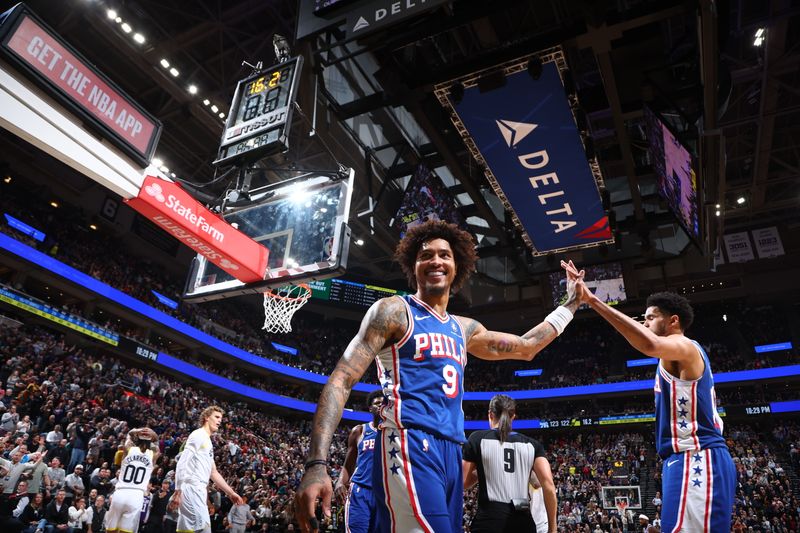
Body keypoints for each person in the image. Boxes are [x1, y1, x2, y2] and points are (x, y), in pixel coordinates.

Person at [296, 221, 582, 533]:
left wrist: (570, 304)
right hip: (408, 442)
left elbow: (527, 348)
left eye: (444, 255)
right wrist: (316, 464)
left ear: (457, 265)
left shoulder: (464, 328)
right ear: (412, 265)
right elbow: (341, 380)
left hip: (451, 453)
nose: (436, 261)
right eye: (425, 255)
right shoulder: (392, 312)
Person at [563, 260, 736, 532]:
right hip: (686, 457)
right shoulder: (675, 353)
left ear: (673, 321)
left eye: (651, 317)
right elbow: (641, 335)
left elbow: (648, 343)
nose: (645, 321)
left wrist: (592, 300)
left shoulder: (684, 346)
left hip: (696, 456)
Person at [462, 394, 556, 533]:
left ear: (490, 414)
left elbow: (463, 482)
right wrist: (552, 529)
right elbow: (548, 485)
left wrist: (484, 470)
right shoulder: (532, 444)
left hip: (489, 521)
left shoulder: (477, 439)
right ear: (513, 417)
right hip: (523, 520)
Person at [169, 406, 243, 533]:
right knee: (204, 530)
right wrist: (177, 491)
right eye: (217, 417)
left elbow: (213, 472)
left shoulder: (207, 441)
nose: (220, 421)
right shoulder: (198, 435)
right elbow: (182, 463)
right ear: (206, 418)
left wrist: (231, 493)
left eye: (221, 418)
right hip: (192, 488)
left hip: (197, 489)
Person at [334, 390, 383, 533]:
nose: (380, 406)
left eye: (383, 403)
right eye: (377, 403)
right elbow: (348, 464)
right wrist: (340, 482)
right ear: (370, 408)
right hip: (360, 491)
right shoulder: (360, 431)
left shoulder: (394, 434)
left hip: (384, 495)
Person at [105, 427, 158, 533]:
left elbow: (128, 435)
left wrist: (136, 432)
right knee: (126, 530)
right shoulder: (152, 455)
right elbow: (157, 445)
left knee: (110, 529)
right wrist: (153, 434)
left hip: (121, 492)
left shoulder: (129, 449)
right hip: (137, 495)